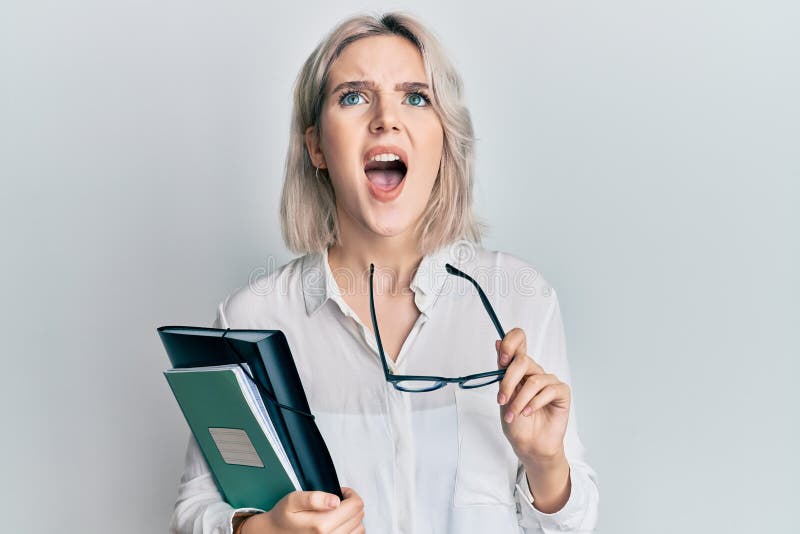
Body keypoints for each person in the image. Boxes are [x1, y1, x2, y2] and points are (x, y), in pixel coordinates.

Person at [169, 10, 599, 534]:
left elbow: (571, 526)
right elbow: (196, 509)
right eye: (353, 96)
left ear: (444, 142)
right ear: (316, 148)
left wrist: (545, 463)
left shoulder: (522, 300)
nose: (385, 119)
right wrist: (263, 530)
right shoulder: (251, 317)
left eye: (416, 97)